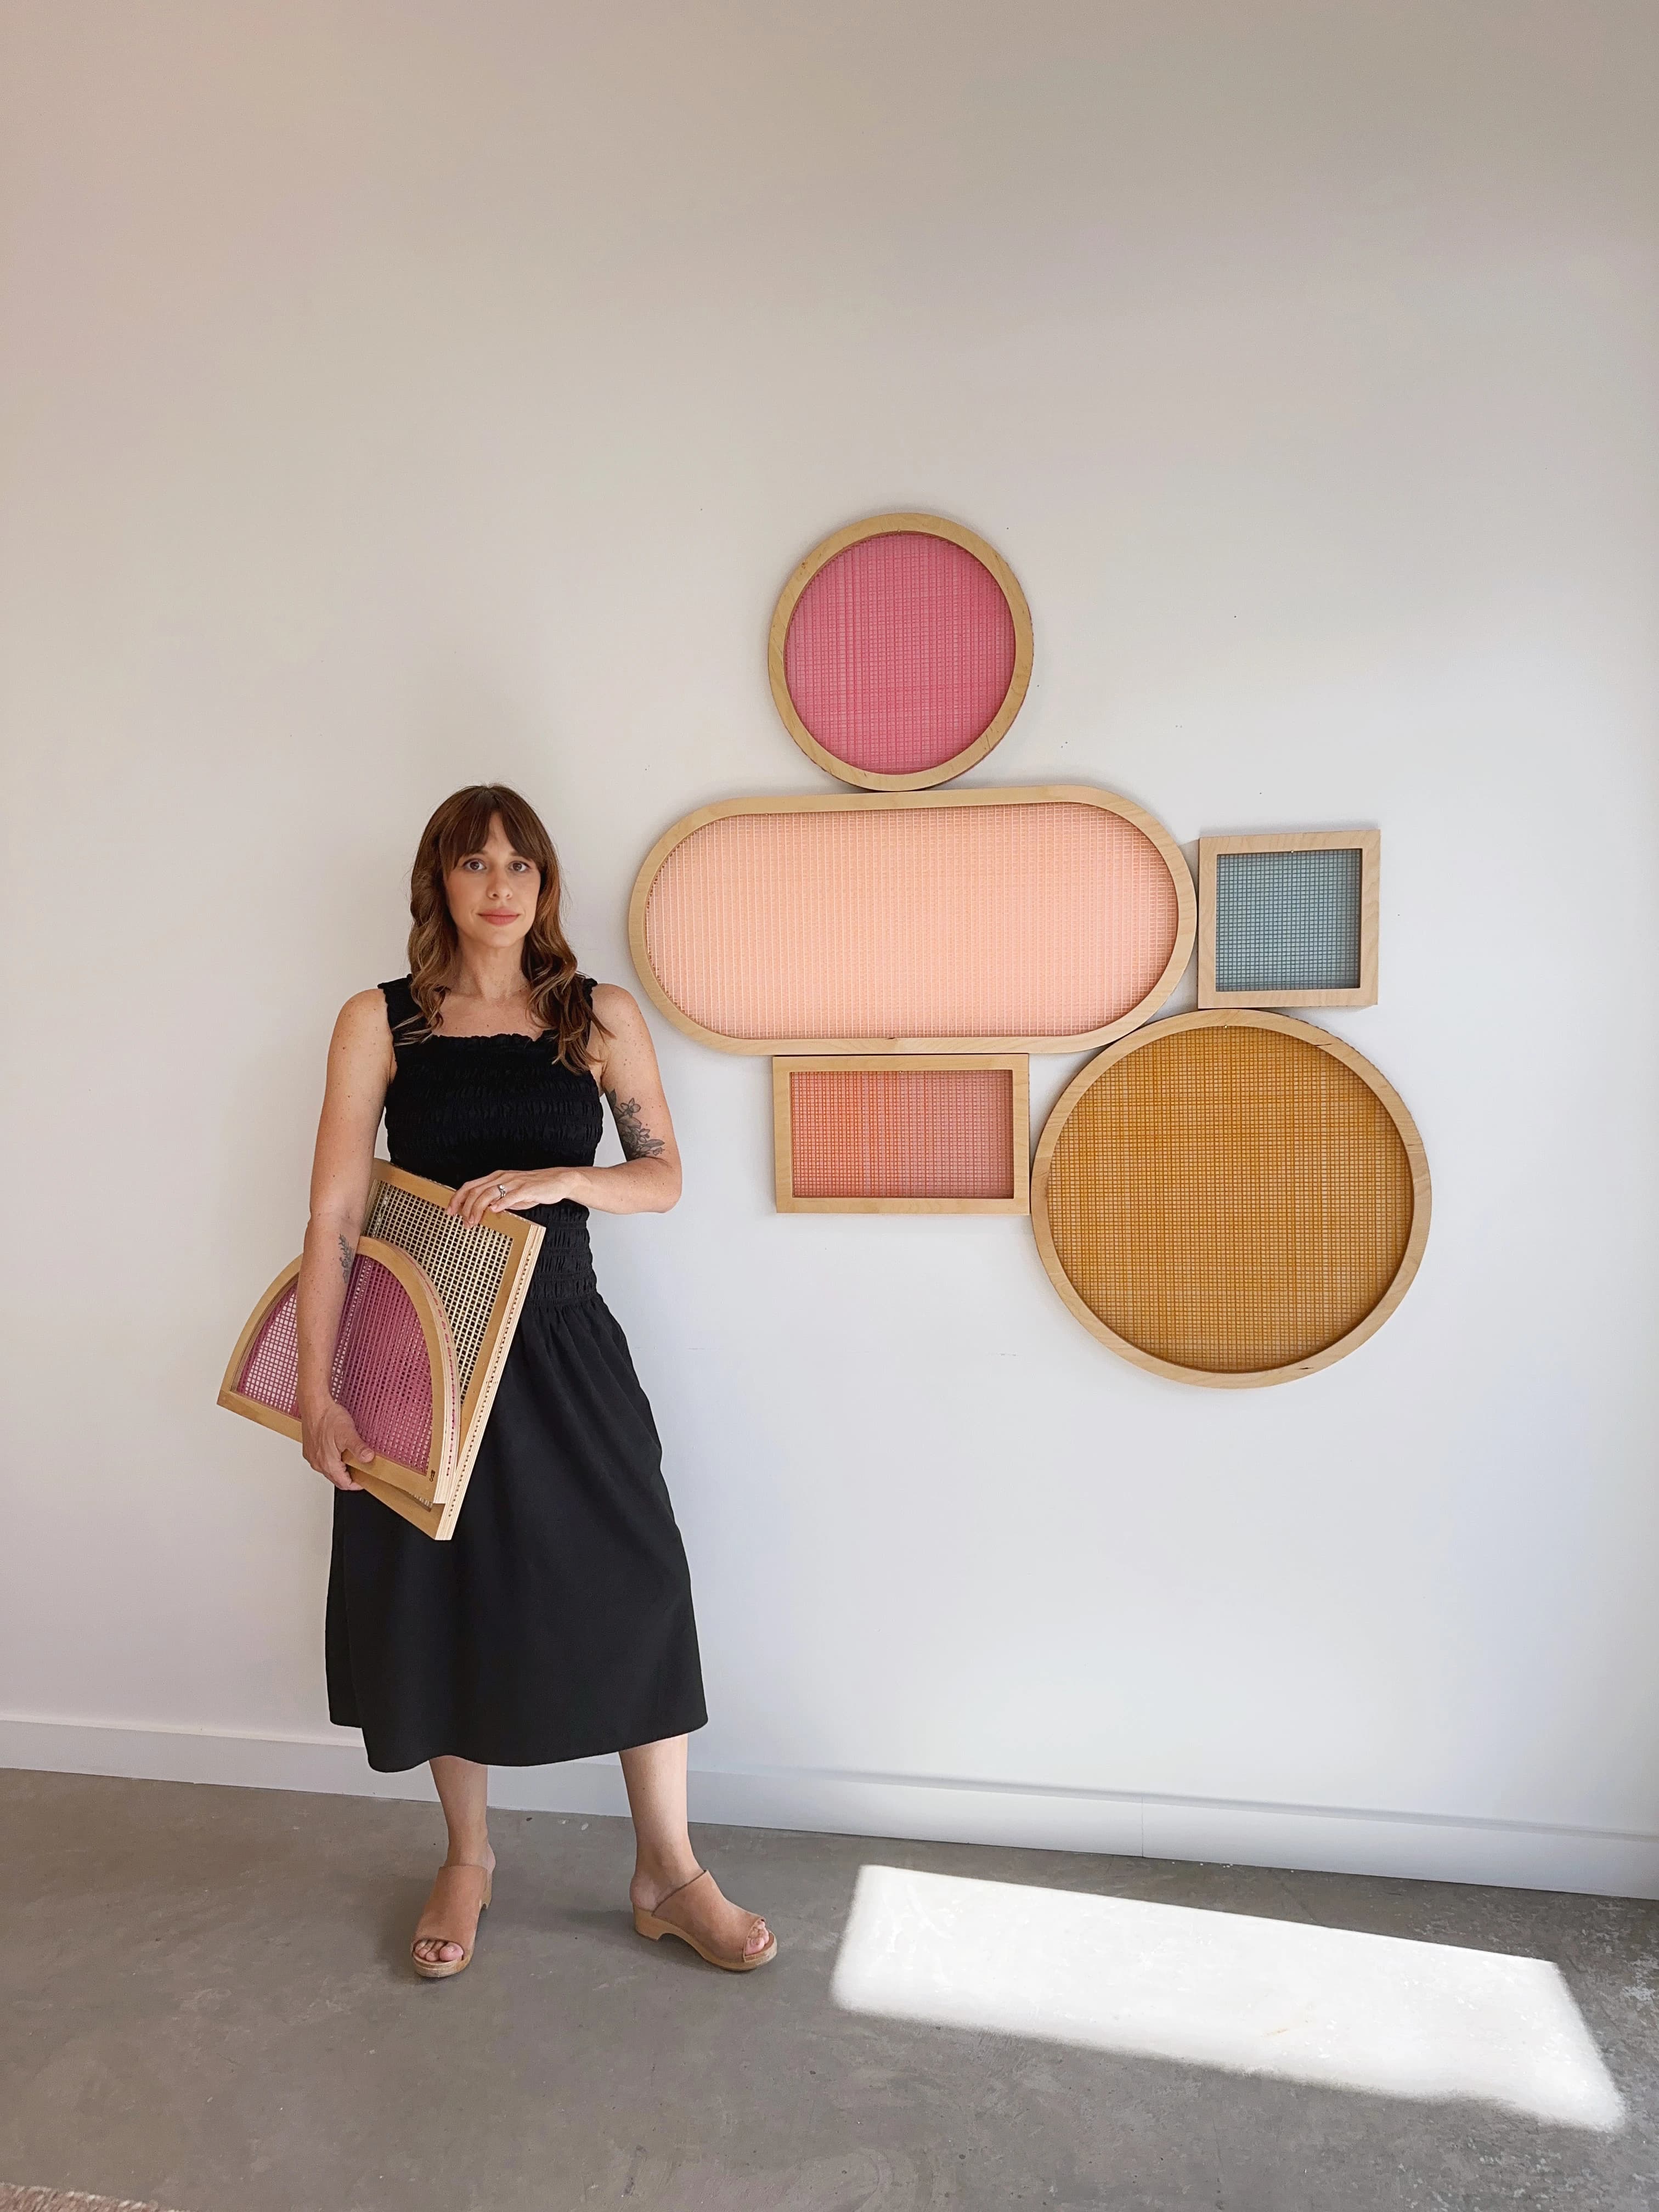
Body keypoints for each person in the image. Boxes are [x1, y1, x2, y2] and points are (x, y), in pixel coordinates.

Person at [295, 782, 774, 1979]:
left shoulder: (595, 1013)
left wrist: (560, 1180)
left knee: (641, 1580)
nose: (499, 885)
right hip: (424, 1353)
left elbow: (662, 1175)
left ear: (547, 883)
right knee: (440, 1601)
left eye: (521, 864)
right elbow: (336, 1214)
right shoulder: (380, 1020)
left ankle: (666, 1869)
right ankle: (468, 1859)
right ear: (439, 884)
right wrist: (317, 1387)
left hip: (563, 1341)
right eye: (473, 864)